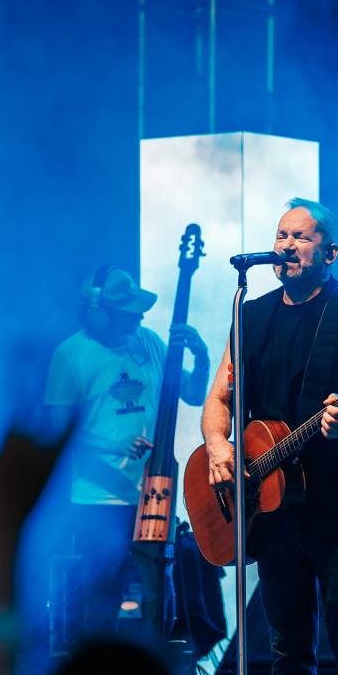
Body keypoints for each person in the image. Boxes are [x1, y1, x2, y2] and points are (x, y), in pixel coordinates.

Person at [200, 199, 338, 675]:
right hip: (274, 509)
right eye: (281, 235)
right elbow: (219, 398)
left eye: (301, 237)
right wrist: (218, 445)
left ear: (329, 253)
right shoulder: (250, 315)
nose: (286, 245)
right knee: (287, 649)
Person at [44, 266, 209, 644]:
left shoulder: (148, 342)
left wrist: (201, 357)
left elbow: (192, 393)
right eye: (129, 311)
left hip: (152, 492)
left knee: (158, 595)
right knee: (100, 597)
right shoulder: (70, 355)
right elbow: (54, 431)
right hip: (98, 501)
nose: (140, 317)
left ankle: (152, 668)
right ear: (100, 313)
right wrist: (112, 444)